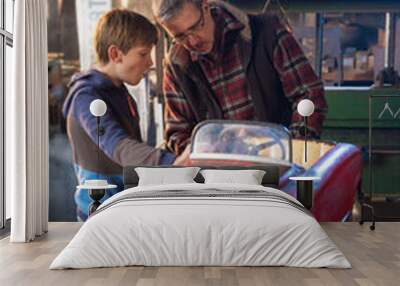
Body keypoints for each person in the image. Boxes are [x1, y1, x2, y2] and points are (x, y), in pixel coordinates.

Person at [152, 0, 328, 156]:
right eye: (180, 36)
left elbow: (309, 94)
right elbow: (177, 133)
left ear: (206, 7)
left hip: (282, 160)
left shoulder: (267, 32)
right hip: (221, 175)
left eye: (195, 27)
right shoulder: (177, 66)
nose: (193, 41)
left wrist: (292, 149)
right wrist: (208, 156)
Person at [63, 9, 186, 221]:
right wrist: (174, 163)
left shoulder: (118, 90)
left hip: (121, 209)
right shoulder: (87, 97)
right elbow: (118, 146)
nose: (150, 63)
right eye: (143, 53)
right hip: (100, 217)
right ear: (115, 54)